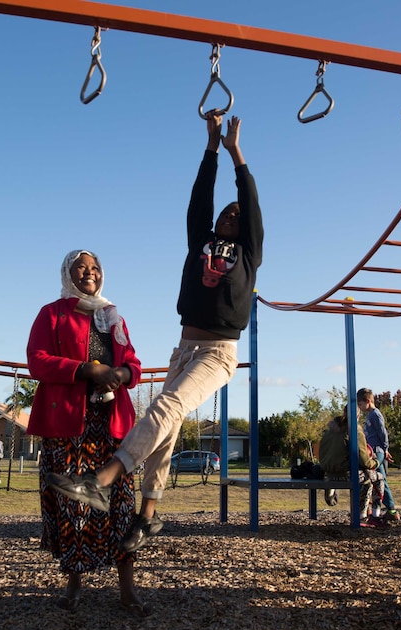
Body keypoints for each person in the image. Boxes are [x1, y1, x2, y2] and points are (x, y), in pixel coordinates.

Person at [47, 111, 263, 553]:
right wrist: (209, 147)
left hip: (219, 351)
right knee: (168, 424)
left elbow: (251, 203)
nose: (229, 213)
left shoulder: (248, 253)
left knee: (167, 405)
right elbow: (200, 200)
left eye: (236, 214)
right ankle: (148, 514)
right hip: (185, 346)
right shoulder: (199, 242)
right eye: (226, 211)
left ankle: (104, 478)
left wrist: (235, 152)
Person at [27, 250, 146, 616]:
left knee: (122, 505)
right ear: (67, 273)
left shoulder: (112, 315)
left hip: (111, 427)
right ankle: (74, 583)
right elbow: (37, 360)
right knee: (74, 506)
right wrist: (87, 370)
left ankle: (127, 591)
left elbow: (133, 365)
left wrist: (120, 375)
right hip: (69, 427)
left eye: (94, 268)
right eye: (81, 267)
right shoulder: (52, 313)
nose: (89, 273)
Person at [319, 412, 385, 524]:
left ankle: (331, 492)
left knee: (366, 478)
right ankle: (369, 515)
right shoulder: (355, 431)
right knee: (376, 478)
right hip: (346, 474)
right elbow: (364, 460)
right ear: (358, 416)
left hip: (328, 473)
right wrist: (376, 462)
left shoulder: (329, 432)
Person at [357, 388, 400, 522]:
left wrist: (385, 449)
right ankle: (377, 509)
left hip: (377, 451)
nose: (359, 407)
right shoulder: (370, 415)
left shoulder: (375, 414)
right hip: (372, 451)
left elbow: (383, 433)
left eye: (360, 404)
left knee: (378, 480)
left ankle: (389, 509)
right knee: (377, 479)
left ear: (368, 401)